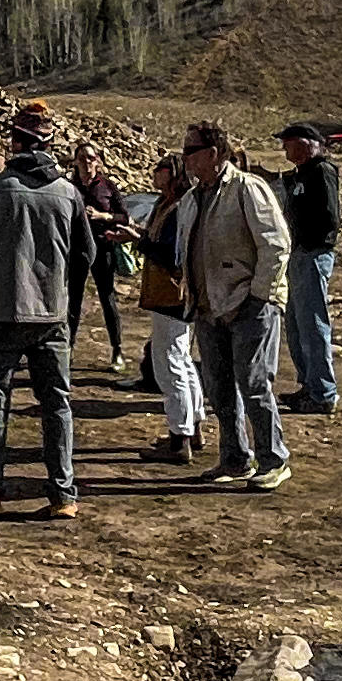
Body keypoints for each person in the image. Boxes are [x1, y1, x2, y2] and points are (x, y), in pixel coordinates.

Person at [0, 103, 94, 517]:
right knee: (57, 404)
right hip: (52, 314)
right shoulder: (69, 193)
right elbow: (85, 253)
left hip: (3, 311)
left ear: (15, 142)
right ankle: (63, 495)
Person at [179, 122, 292, 489]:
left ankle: (274, 459)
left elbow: (275, 245)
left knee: (255, 383)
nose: (185, 159)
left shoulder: (248, 189)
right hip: (209, 306)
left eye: (190, 150)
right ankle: (235, 458)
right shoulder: (192, 199)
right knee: (219, 387)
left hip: (249, 304)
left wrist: (258, 295)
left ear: (213, 153)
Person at [131, 148, 208, 465]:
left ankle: (180, 438)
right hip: (168, 294)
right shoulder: (167, 204)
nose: (155, 172)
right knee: (182, 361)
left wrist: (139, 241)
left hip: (172, 294)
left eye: (161, 167)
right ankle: (193, 426)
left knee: (170, 364)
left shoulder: (179, 207)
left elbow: (173, 256)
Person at [272, 119, 342, 414]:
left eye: (288, 143)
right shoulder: (302, 174)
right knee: (297, 323)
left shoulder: (321, 172)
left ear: (304, 144)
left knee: (313, 323)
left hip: (312, 254)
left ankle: (323, 392)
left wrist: (308, 242)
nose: (284, 148)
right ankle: (309, 385)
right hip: (300, 254)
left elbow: (329, 217)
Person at [65, 142, 128, 366]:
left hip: (103, 248)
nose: (87, 162)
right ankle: (68, 349)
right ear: (75, 162)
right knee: (73, 300)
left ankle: (117, 349)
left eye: (91, 158)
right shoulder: (69, 187)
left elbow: (124, 216)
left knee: (107, 297)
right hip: (77, 250)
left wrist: (104, 217)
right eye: (82, 158)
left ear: (98, 160)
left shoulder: (107, 186)